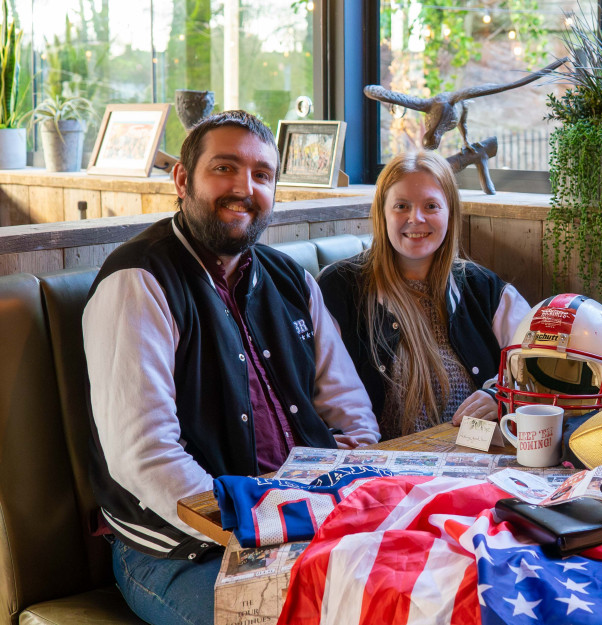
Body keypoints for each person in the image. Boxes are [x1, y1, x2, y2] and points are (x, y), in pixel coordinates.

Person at [83, 110, 378, 625]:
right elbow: (145, 458)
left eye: (262, 175)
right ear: (182, 179)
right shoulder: (138, 281)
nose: (244, 188)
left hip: (304, 520)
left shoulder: (291, 279)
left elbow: (350, 411)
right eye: (224, 168)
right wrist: (263, 523)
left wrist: (344, 500)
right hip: (179, 551)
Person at [318, 150, 530, 440]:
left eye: (431, 206)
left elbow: (537, 358)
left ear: (450, 213)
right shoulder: (339, 287)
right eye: (402, 206)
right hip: (383, 464)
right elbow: (319, 387)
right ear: (382, 212)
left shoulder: (483, 288)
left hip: (475, 455)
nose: (415, 218)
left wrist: (500, 394)